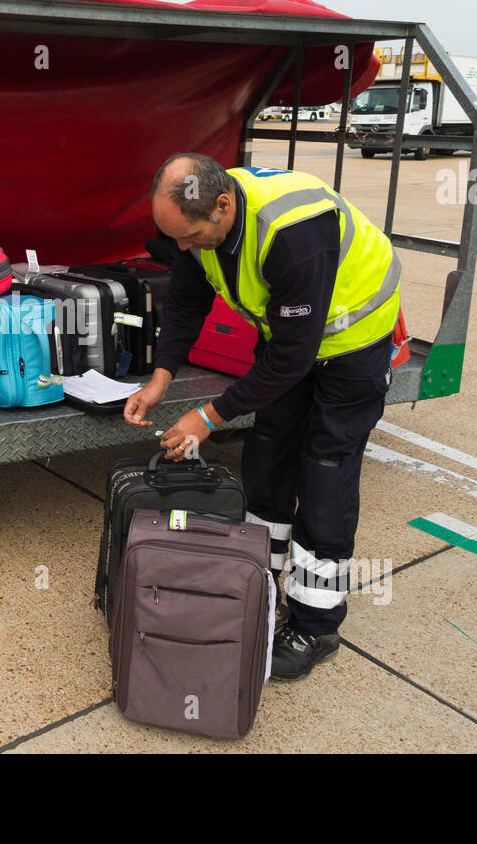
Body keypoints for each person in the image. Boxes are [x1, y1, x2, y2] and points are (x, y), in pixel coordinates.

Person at [123, 152, 401, 682]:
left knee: (325, 472)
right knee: (268, 453)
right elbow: (184, 304)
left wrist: (207, 415)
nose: (184, 248)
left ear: (223, 205)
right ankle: (261, 577)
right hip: (291, 341)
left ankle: (316, 626)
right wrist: (161, 378)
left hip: (353, 344)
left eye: (192, 237)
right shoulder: (199, 221)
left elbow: (293, 359)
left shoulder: (292, 234)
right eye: (175, 237)